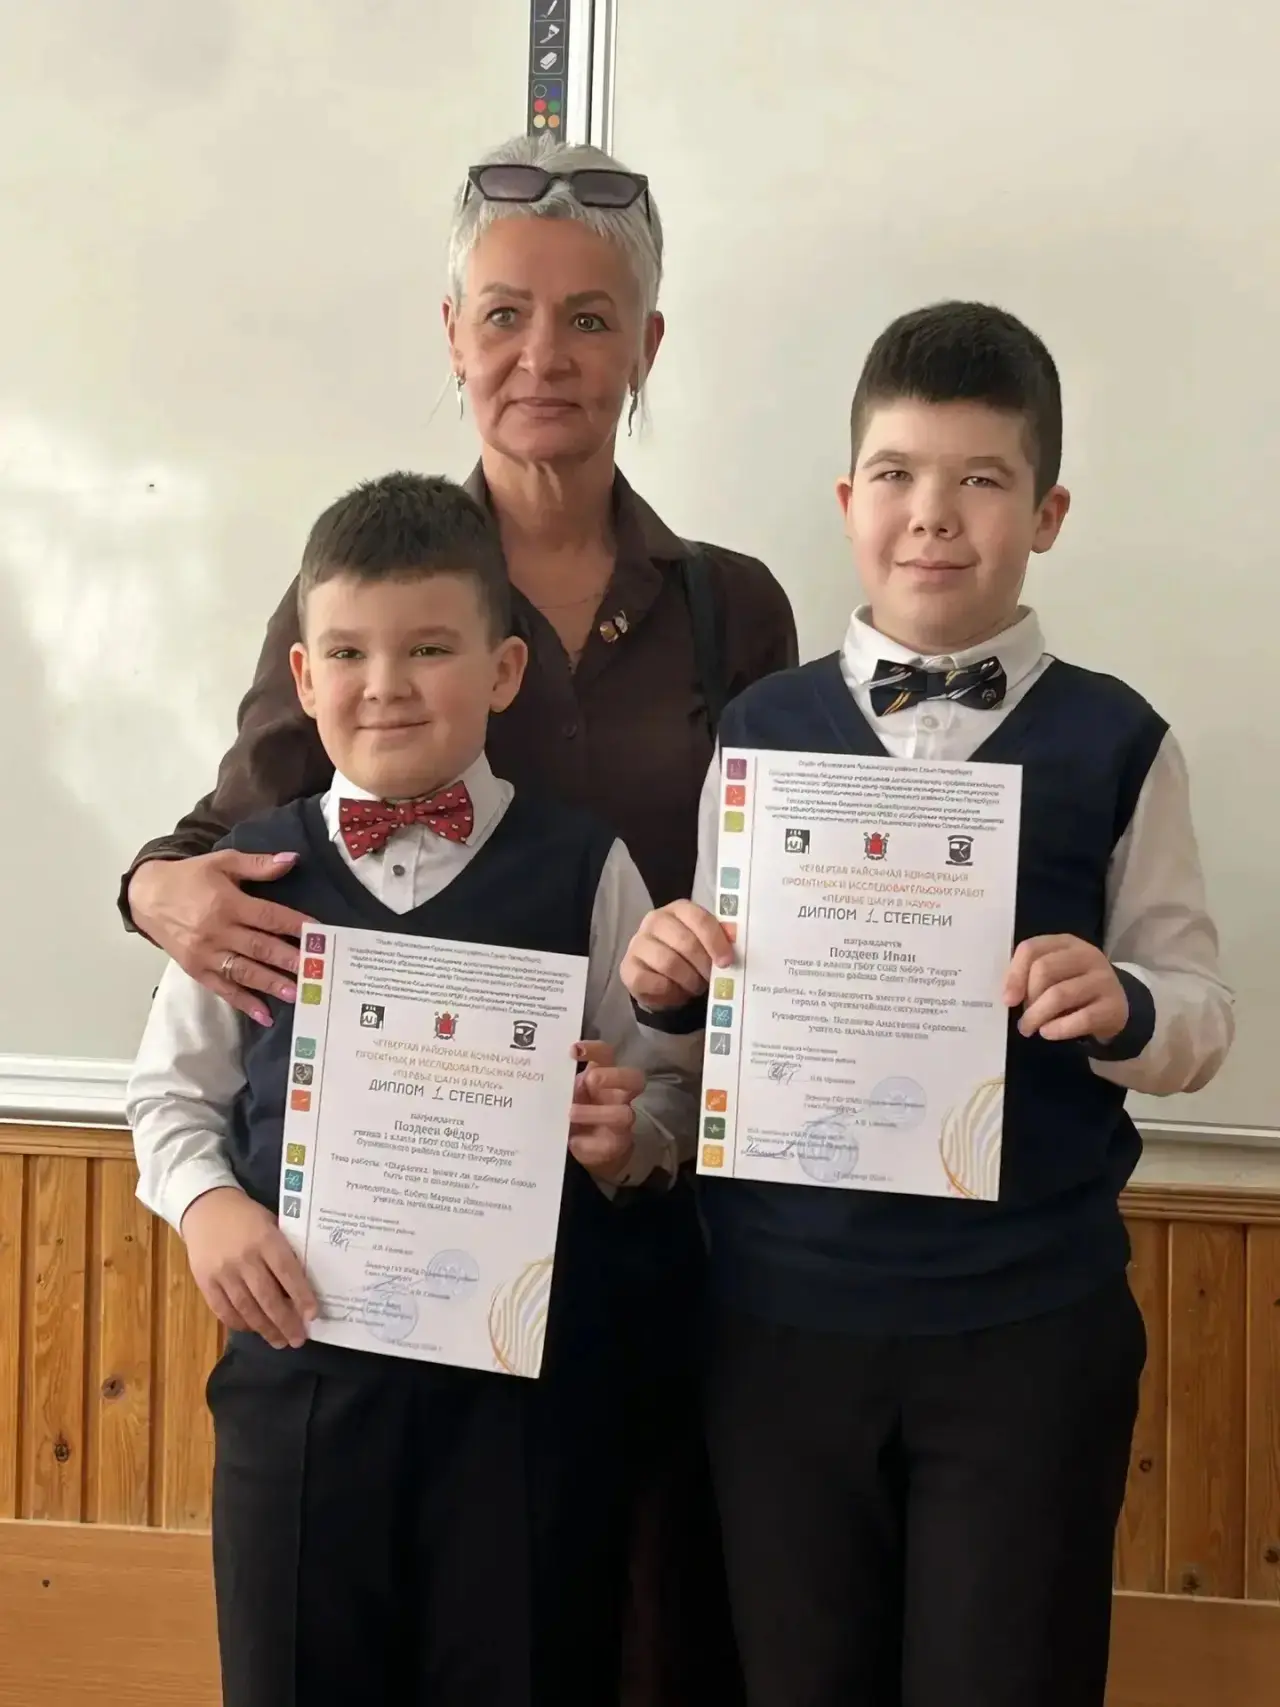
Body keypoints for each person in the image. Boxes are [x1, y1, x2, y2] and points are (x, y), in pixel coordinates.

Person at [120, 133, 796, 1704]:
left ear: (646, 345)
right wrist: (151, 886)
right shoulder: (364, 580)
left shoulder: (731, 604)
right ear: (451, 334)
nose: (542, 355)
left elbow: (776, 914)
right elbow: (231, 846)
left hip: (628, 1248)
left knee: (602, 1634)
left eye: (587, 318)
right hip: (340, 1322)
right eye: (502, 314)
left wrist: (651, 1119)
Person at [621, 301, 1235, 1707]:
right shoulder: (760, 730)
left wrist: (1123, 999)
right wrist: (664, 979)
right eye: (896, 474)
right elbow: (709, 1004)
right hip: (778, 1324)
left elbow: (1200, 1010)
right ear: (848, 499)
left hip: (1024, 1330)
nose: (933, 515)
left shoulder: (1118, 739)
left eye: (981, 479)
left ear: (1047, 512)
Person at [127, 472, 704, 1707]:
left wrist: (627, 1135)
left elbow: (665, 1090)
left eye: (428, 649)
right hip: (298, 1392)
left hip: (522, 1418)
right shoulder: (248, 875)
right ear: (301, 677)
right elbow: (170, 1097)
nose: (384, 683)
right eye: (347, 652)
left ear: (502, 672)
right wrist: (208, 1209)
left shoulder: (586, 867)